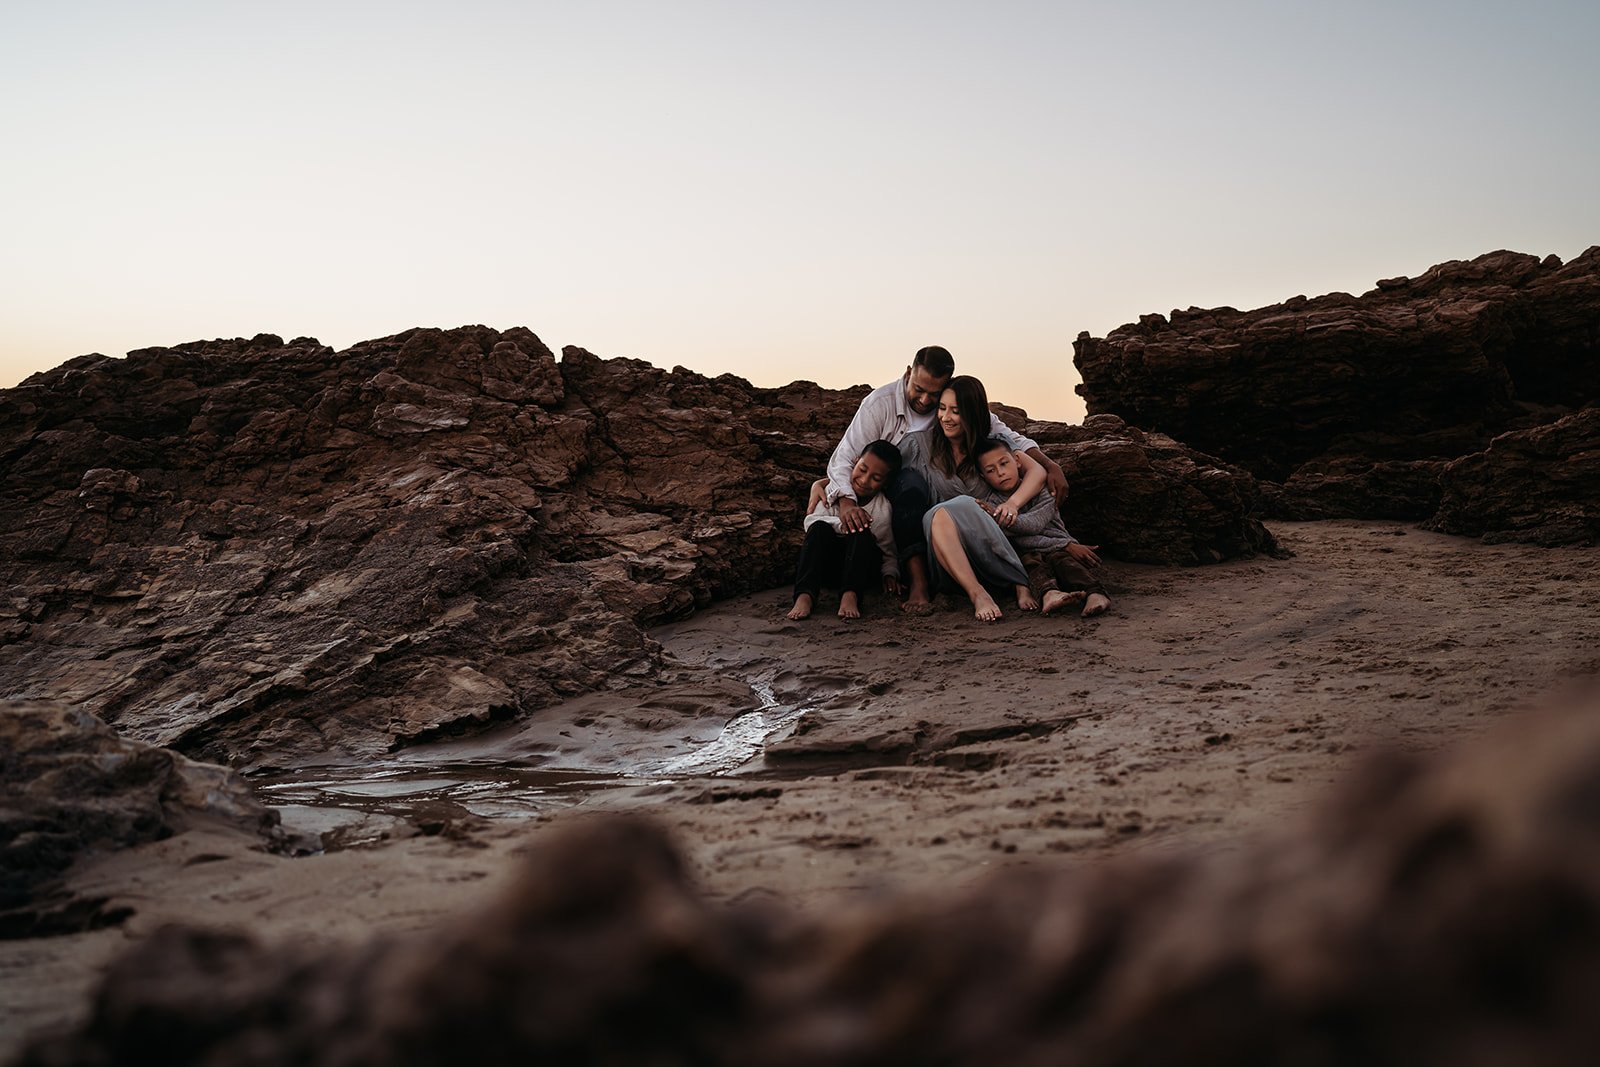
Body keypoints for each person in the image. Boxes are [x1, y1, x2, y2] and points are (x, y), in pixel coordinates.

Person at [823, 346, 1067, 614]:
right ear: (908, 373)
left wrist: (1049, 463)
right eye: (920, 391)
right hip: (926, 521)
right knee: (919, 492)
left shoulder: (984, 440)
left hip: (980, 534)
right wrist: (834, 491)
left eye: (936, 397)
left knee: (965, 506)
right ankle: (932, 585)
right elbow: (856, 459)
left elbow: (1016, 445)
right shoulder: (886, 412)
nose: (927, 403)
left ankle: (1021, 582)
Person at [896, 376, 1048, 621]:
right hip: (946, 557)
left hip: (989, 549)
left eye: (955, 411)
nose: (946, 417)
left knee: (961, 507)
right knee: (939, 514)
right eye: (942, 409)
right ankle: (977, 594)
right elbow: (881, 470)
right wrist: (827, 482)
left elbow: (1037, 472)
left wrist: (1012, 504)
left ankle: (1012, 582)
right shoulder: (918, 445)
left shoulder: (992, 447)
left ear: (973, 413)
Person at [973, 437, 1112, 618]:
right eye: (991, 470)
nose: (1000, 473)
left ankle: (1095, 593)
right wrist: (1064, 544)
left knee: (1062, 560)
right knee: (1030, 562)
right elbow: (1015, 540)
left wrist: (1064, 545)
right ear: (983, 477)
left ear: (1017, 460)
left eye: (1004, 463)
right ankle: (1049, 594)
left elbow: (1034, 525)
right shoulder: (992, 502)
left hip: (1058, 550)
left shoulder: (1042, 489)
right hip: (1033, 553)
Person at [788, 440, 903, 620]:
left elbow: (887, 550)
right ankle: (805, 595)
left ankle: (850, 595)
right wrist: (844, 524)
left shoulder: (882, 509)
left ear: (886, 483)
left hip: (860, 571)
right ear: (855, 462)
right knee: (820, 528)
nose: (864, 480)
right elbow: (811, 522)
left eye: (876, 478)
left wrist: (890, 574)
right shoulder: (832, 492)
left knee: (861, 530)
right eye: (862, 469)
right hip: (828, 566)